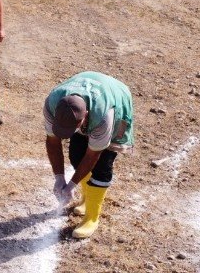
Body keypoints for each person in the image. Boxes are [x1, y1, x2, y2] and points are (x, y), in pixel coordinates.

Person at [44, 72, 134, 239]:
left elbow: (93, 156)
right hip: (87, 98)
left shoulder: (103, 116)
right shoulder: (52, 104)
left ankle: (92, 217)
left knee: (102, 167)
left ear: (84, 118)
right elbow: (52, 142)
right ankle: (86, 200)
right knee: (76, 156)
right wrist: (59, 177)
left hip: (115, 97)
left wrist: (71, 185)